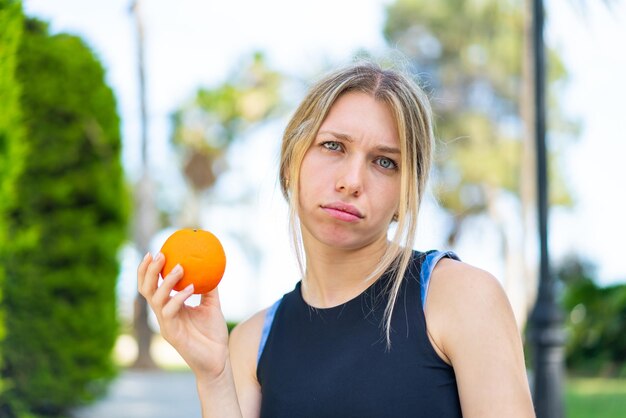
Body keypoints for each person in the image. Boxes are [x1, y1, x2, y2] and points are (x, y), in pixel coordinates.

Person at [137, 60, 536, 417]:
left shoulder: (461, 297)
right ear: (292, 162)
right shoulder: (250, 343)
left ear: (406, 194)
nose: (351, 182)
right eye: (333, 146)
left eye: (385, 162)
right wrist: (213, 375)